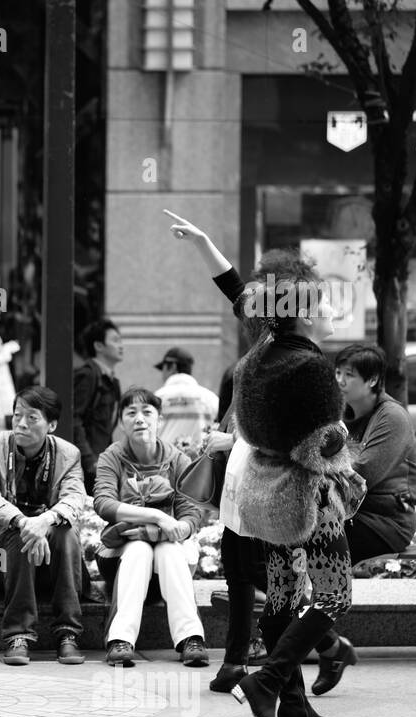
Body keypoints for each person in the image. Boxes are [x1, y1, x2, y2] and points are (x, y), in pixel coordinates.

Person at [221, 248, 361, 717]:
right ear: (300, 313)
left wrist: (203, 246)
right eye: (322, 306)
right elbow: (322, 445)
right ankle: (270, 680)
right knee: (334, 596)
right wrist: (346, 447)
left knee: (282, 596)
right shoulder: (312, 368)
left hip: (265, 493)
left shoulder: (257, 357)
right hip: (311, 497)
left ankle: (295, 705)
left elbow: (241, 296)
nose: (330, 313)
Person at [166, 209, 273, 692]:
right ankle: (234, 662)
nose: (249, 316)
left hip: (275, 486)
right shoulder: (242, 367)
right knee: (237, 564)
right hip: (239, 483)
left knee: (256, 569)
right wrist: (203, 242)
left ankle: (323, 639)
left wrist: (238, 441)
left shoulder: (294, 364)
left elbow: (297, 436)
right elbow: (235, 287)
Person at [312, 343, 416, 694]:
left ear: (373, 380)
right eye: (338, 372)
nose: (340, 380)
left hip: (386, 521)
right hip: (345, 514)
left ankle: (320, 646)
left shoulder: (392, 417)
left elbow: (362, 475)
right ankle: (326, 645)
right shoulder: (341, 414)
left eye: (349, 375)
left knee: (315, 555)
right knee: (297, 554)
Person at [0, 386, 88, 666]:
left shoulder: (69, 454)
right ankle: (18, 635)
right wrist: (23, 522)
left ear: (51, 425)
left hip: (52, 555)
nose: (22, 423)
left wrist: (44, 521)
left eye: (32, 417)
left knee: (64, 532)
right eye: (17, 415)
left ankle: (68, 634)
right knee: (19, 536)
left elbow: (75, 498)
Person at [91, 388, 207, 667]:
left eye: (147, 412)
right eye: (131, 413)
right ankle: (120, 640)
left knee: (168, 549)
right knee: (140, 549)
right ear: (121, 421)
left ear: (160, 419)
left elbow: (192, 511)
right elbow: (103, 502)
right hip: (122, 557)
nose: (139, 419)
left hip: (170, 564)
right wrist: (157, 518)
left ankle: (191, 638)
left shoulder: (178, 460)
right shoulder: (113, 457)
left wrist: (182, 527)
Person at [72, 319, 123, 493]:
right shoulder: (88, 375)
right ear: (99, 346)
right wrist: (89, 460)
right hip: (87, 467)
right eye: (115, 340)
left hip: (101, 462)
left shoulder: (112, 381)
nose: (121, 345)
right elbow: (74, 419)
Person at [154, 347, 220, 447]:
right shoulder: (211, 398)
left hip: (165, 460)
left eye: (162, 369)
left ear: (172, 367)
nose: (162, 375)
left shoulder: (157, 398)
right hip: (201, 461)